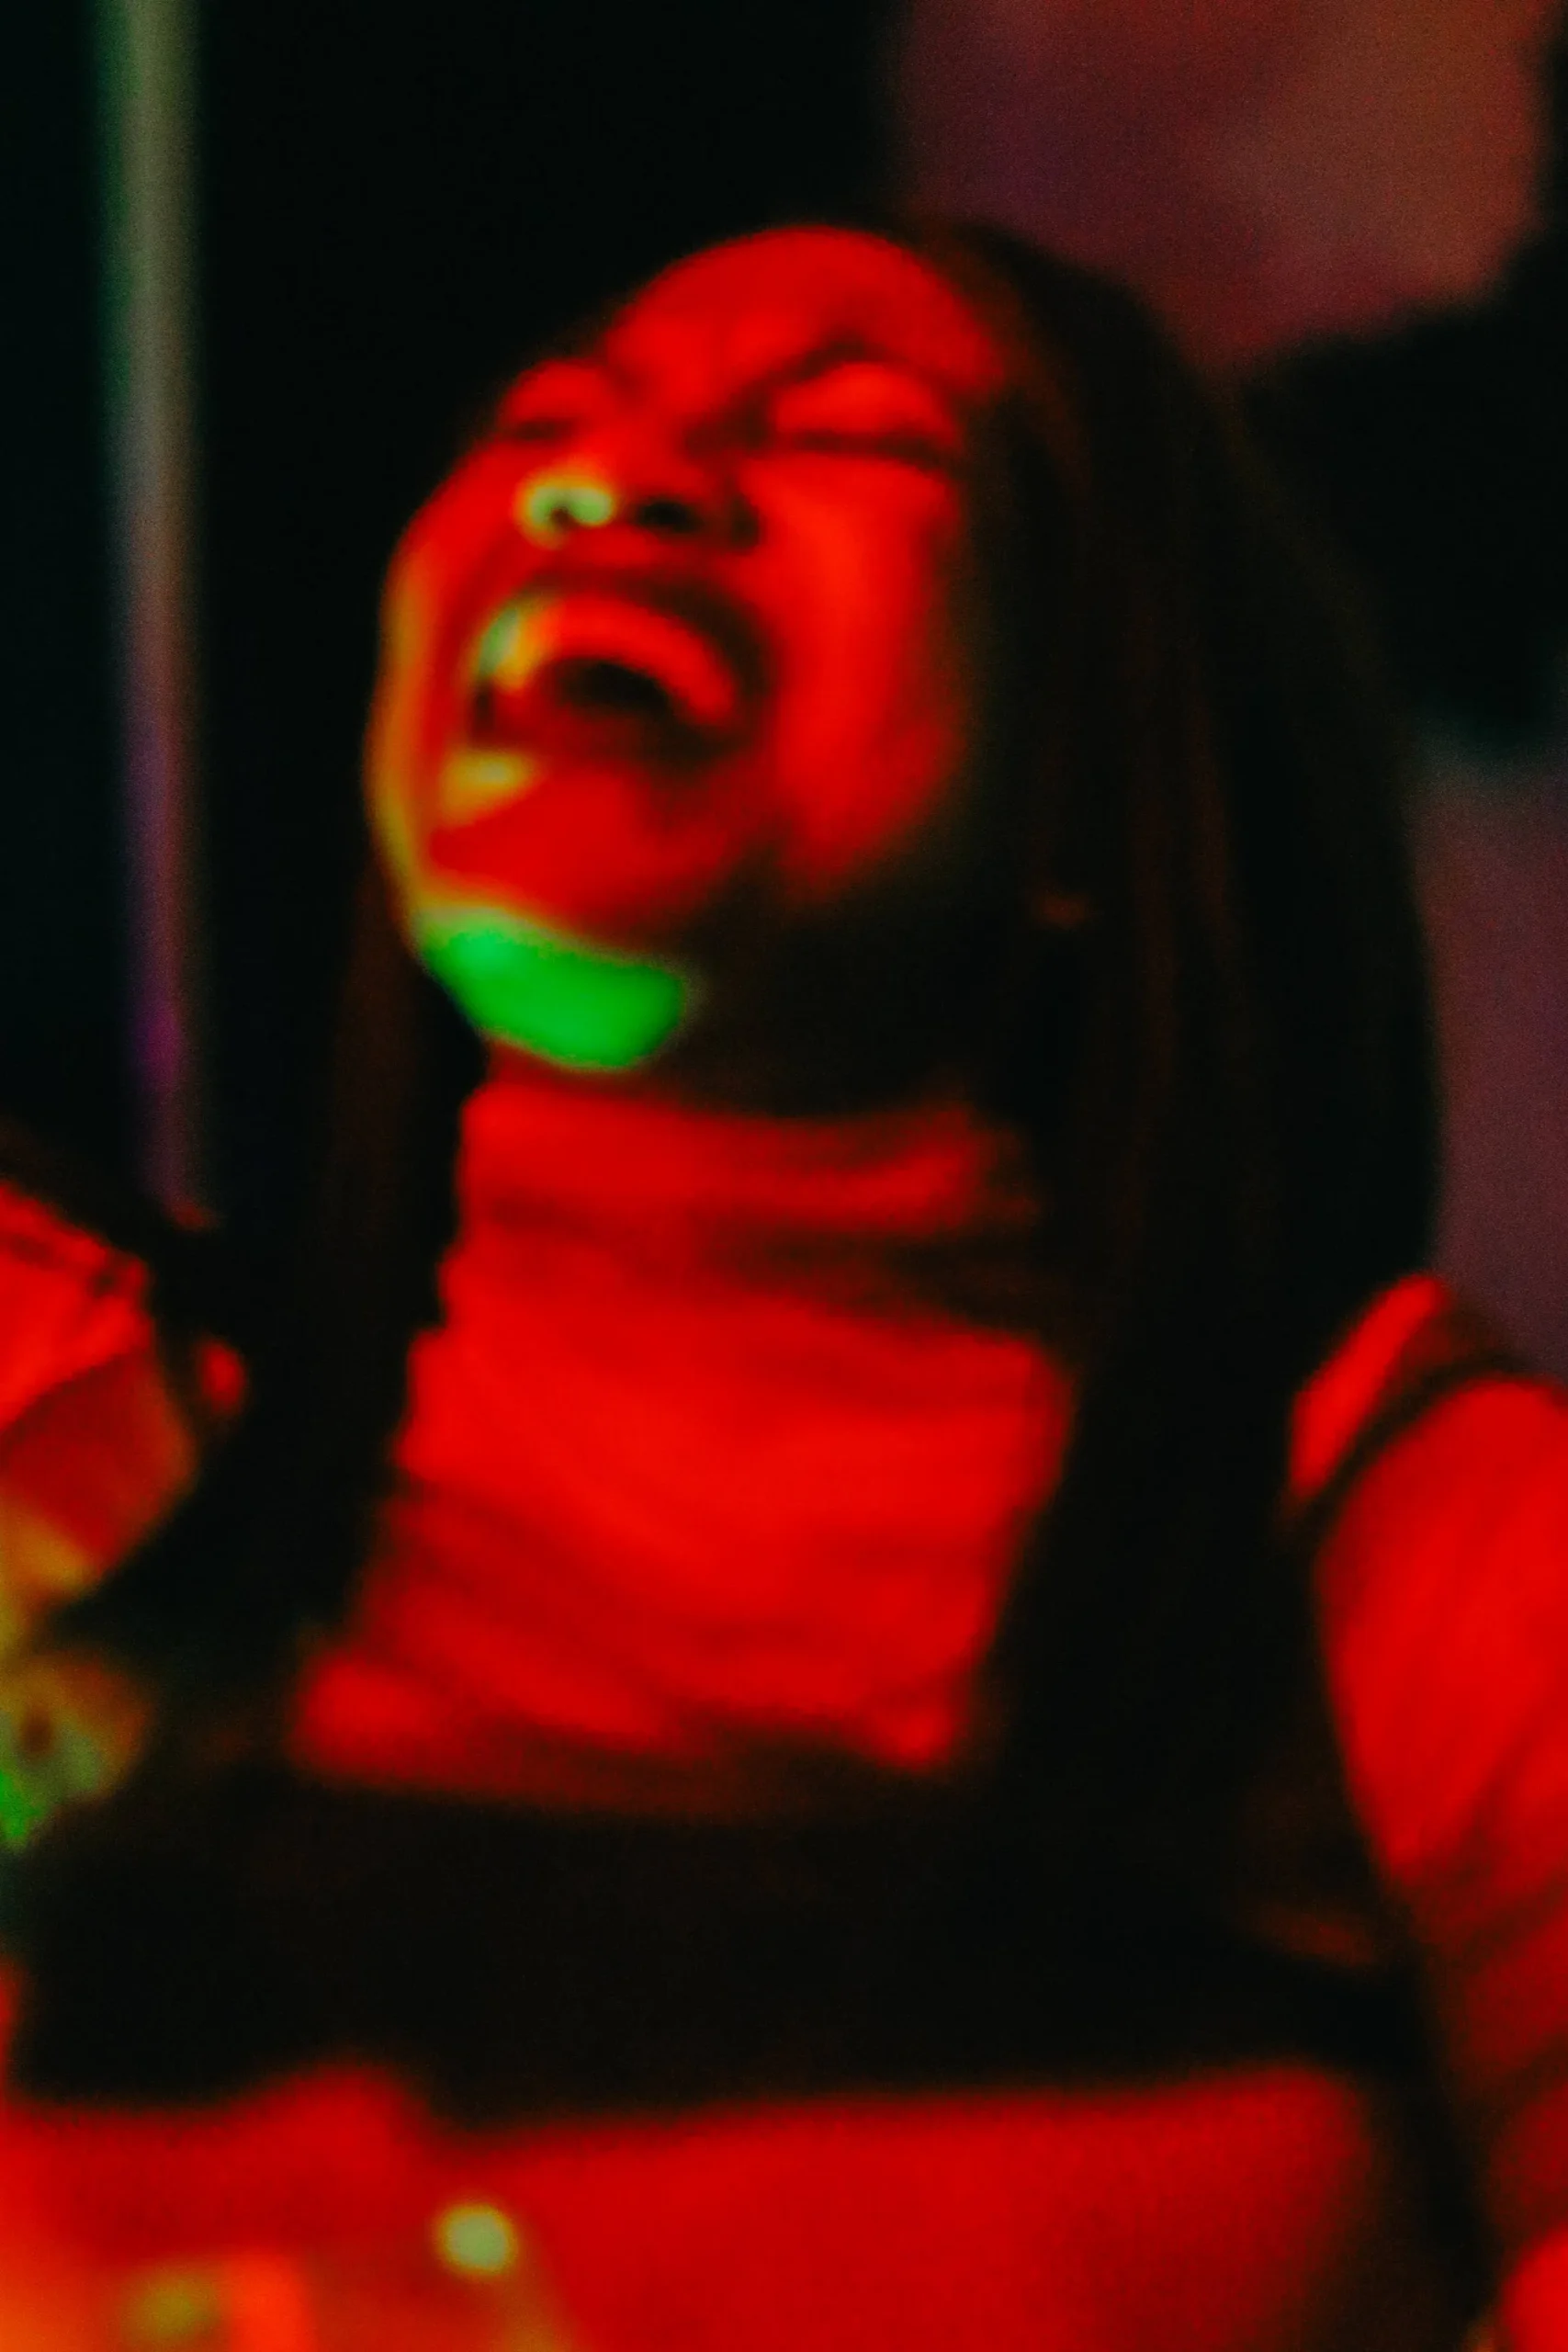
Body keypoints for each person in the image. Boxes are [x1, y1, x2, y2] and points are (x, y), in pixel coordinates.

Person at [0, 220, 1564, 2349]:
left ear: (1095, 767)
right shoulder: (125, 1521)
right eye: (544, 425)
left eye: (849, 435)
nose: (607, 482)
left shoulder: (1404, 1551)